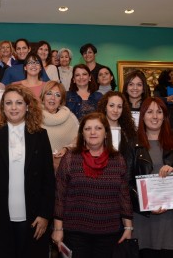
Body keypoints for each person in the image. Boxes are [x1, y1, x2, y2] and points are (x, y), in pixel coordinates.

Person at [0, 84, 55, 258]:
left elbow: (49, 180)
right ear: (2, 107)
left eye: (19, 103)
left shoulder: (40, 135)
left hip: (34, 218)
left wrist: (45, 214)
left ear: (27, 107)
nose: (13, 107)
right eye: (8, 103)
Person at [52, 112, 133, 258]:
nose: (93, 132)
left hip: (109, 233)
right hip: (75, 233)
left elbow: (124, 195)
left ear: (106, 133)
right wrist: (58, 229)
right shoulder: (70, 159)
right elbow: (59, 195)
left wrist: (128, 226)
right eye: (88, 129)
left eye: (98, 128)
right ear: (82, 134)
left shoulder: (118, 160)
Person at [127, 97, 173, 257]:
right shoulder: (133, 143)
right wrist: (145, 205)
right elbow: (126, 183)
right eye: (150, 112)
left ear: (165, 116)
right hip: (144, 218)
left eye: (159, 112)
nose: (154, 116)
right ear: (143, 116)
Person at [40, 81, 79, 172]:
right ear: (42, 97)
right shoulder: (33, 116)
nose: (53, 98)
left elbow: (79, 138)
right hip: (39, 169)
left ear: (61, 100)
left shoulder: (70, 117)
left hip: (65, 169)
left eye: (57, 95)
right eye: (49, 93)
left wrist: (67, 148)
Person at [97, 91, 137, 164]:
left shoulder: (128, 132)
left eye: (119, 107)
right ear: (105, 107)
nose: (115, 110)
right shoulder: (95, 129)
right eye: (111, 105)